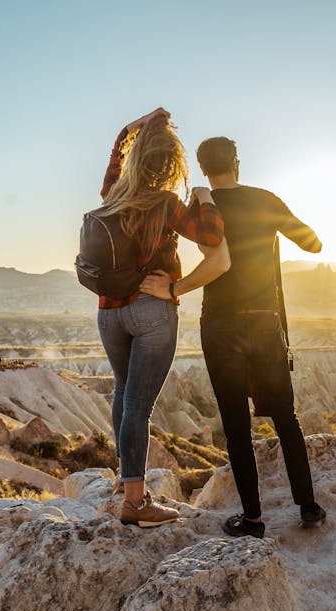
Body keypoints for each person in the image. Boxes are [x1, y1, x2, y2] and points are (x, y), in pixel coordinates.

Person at [142, 136, 325, 538]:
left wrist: (172, 289)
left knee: (236, 426)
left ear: (204, 170)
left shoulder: (203, 210)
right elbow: (313, 243)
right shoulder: (266, 200)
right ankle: (309, 507)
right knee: (286, 418)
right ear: (237, 163)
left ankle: (254, 520)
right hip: (264, 322)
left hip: (221, 326)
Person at [97, 108, 230, 527]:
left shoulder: (113, 192)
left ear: (136, 158)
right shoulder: (166, 203)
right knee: (138, 405)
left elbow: (119, 145)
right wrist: (205, 197)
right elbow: (211, 237)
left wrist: (141, 124)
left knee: (123, 393)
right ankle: (136, 505)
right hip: (152, 311)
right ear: (171, 163)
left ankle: (125, 482)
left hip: (108, 313)